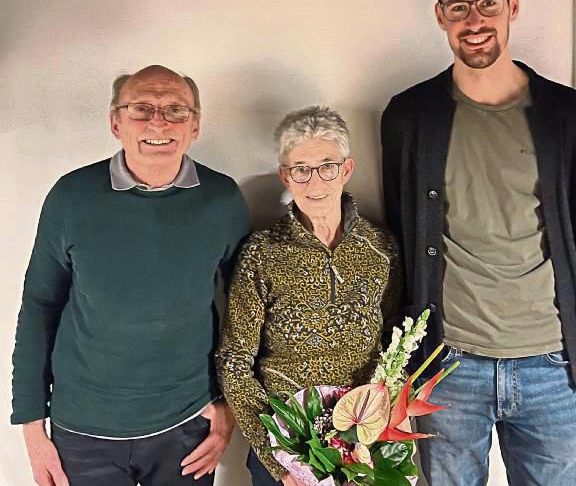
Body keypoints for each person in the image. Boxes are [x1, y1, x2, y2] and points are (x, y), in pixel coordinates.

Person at [381, 0, 576, 486]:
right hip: (447, 364)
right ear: (440, 15)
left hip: (552, 359)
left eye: (487, 3)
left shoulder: (567, 114)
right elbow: (403, 227)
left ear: (512, 4)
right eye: (458, 7)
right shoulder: (409, 115)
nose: (473, 20)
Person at [11, 65, 250, 486]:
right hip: (83, 429)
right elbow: (39, 305)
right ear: (115, 123)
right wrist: (31, 426)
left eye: (176, 109)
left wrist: (230, 405)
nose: (158, 121)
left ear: (195, 126)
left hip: (186, 425)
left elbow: (245, 311)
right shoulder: (71, 197)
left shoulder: (223, 199)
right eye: (142, 108)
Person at [216, 106, 400, 486]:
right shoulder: (261, 253)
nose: (315, 182)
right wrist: (279, 461)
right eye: (301, 169)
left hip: (363, 442)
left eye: (327, 166)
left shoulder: (380, 248)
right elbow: (234, 360)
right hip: (282, 440)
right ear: (286, 174)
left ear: (346, 170)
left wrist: (371, 433)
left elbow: (391, 342)